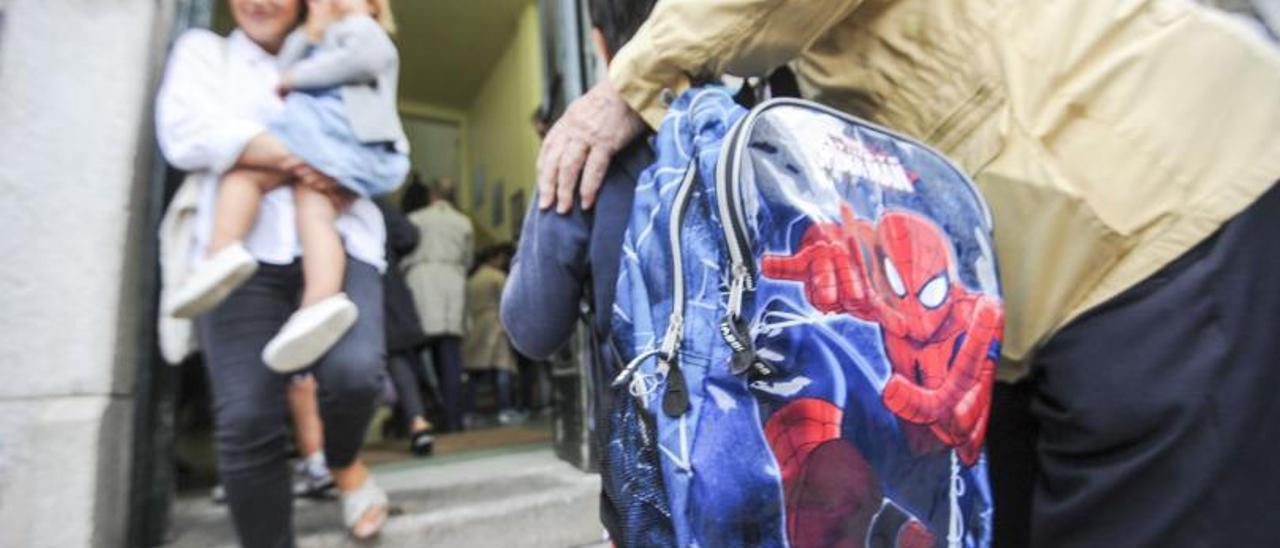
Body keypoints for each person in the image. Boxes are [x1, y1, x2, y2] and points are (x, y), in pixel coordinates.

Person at [537, 1, 1280, 546]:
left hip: (1150, 185)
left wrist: (626, 87)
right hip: (1030, 267)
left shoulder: (665, 82)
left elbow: (532, 319)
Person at [155, 0, 391, 542]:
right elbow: (186, 132)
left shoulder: (346, 53)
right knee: (246, 420)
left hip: (340, 239)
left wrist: (259, 148)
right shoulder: (204, 53)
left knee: (355, 376)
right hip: (241, 259)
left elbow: (380, 144)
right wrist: (310, 154)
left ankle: (342, 462)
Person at [164, 0, 409, 374]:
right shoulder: (309, 41)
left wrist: (296, 80)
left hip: (335, 152)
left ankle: (225, 254)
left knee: (247, 178)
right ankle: (311, 298)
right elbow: (187, 135)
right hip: (315, 160)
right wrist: (311, 35)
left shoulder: (361, 30)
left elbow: (355, 63)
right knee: (309, 209)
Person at [502, 0, 657, 540]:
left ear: (596, 41)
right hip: (777, 452)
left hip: (648, 471)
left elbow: (532, 328)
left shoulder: (584, 153)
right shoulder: (759, 132)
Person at [403, 178, 474, 432]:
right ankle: (454, 419)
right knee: (450, 354)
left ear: (432, 195)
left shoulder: (415, 219)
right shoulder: (463, 222)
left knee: (416, 353)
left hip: (420, 282)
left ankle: (421, 415)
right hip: (452, 282)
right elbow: (468, 259)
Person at [376, 197, 438, 456]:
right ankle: (417, 422)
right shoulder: (373, 198)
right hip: (383, 282)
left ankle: (326, 447)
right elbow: (408, 236)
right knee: (397, 357)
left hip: (334, 283)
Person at [463, 245, 519, 424]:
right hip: (495, 324)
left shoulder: (472, 279)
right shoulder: (498, 277)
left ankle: (470, 411)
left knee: (474, 372)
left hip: (476, 325)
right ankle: (505, 409)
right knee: (503, 368)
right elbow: (507, 302)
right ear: (495, 258)